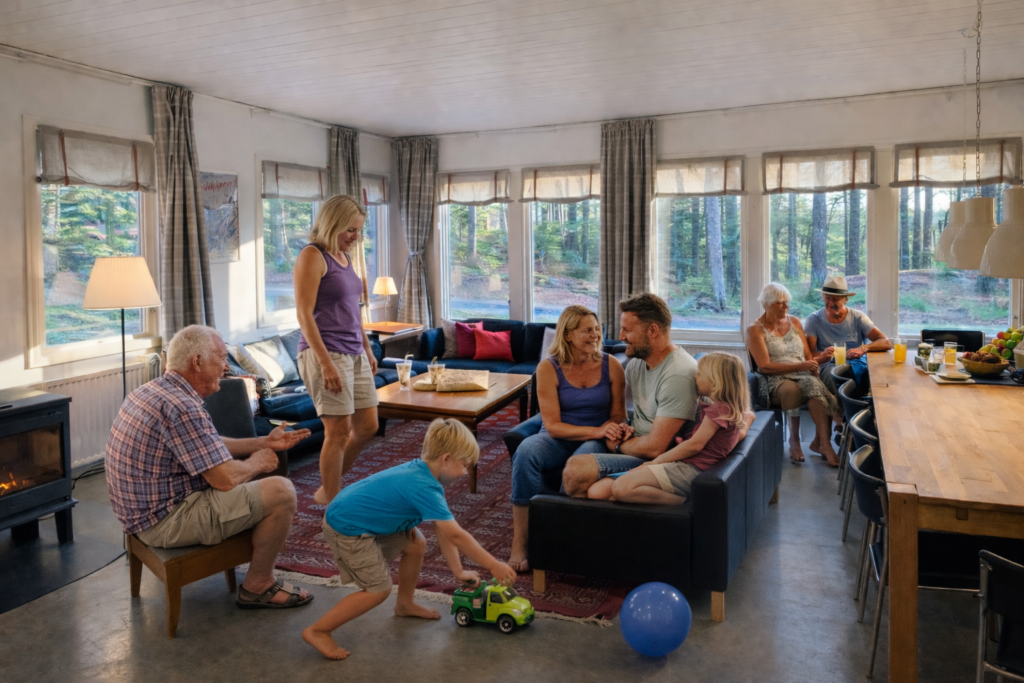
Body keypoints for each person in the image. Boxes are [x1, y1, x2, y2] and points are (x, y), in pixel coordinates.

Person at [106, 325, 314, 609]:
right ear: (197, 362)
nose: (226, 366)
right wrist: (259, 461)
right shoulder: (183, 406)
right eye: (220, 358)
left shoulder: (154, 391)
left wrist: (263, 442)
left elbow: (209, 442)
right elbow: (225, 480)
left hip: (139, 515)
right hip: (163, 522)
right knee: (282, 491)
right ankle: (258, 586)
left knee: (264, 486)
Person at [302, 419, 516, 661]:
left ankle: (404, 604)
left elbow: (443, 530)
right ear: (445, 459)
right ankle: (319, 630)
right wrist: (492, 564)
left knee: (416, 543)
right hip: (346, 527)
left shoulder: (425, 474)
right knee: (377, 590)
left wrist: (457, 570)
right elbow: (456, 533)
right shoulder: (424, 488)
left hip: (358, 516)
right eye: (465, 465)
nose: (466, 472)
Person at [507, 305, 627, 572]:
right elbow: (552, 426)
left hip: (596, 440)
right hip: (558, 437)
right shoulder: (549, 368)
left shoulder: (612, 366)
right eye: (587, 330)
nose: (595, 335)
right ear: (568, 334)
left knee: (578, 464)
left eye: (597, 329)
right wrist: (597, 430)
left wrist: (613, 430)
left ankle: (559, 538)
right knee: (525, 451)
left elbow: (618, 415)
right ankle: (520, 541)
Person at [561, 292, 699, 497]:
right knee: (578, 467)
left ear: (652, 330)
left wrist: (617, 445)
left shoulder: (679, 373)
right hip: (636, 444)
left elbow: (656, 448)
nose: (621, 337)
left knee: (577, 469)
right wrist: (622, 428)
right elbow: (632, 414)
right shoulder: (636, 365)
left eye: (627, 330)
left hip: (663, 459)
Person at [293, 194, 379, 506]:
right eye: (351, 231)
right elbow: (304, 315)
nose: (356, 238)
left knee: (368, 426)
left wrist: (367, 348)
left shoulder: (345, 257)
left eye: (359, 231)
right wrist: (325, 363)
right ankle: (332, 503)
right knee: (338, 432)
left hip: (354, 352)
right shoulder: (312, 256)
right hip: (325, 353)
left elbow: (352, 310)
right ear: (333, 224)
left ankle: (328, 488)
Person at [588, 353, 756, 504]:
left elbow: (695, 446)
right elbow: (735, 436)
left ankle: (689, 505)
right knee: (610, 495)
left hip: (690, 469)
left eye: (700, 374)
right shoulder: (727, 409)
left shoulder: (718, 410)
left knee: (621, 489)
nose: (695, 377)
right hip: (689, 466)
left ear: (715, 381)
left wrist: (653, 463)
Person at [747, 283, 842, 466]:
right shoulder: (755, 329)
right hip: (773, 378)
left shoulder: (795, 322)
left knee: (815, 388)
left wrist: (822, 359)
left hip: (803, 374)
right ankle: (794, 442)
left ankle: (824, 445)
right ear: (766, 303)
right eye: (780, 303)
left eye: (787, 302)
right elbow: (765, 366)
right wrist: (800, 366)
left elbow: (808, 357)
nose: (785, 307)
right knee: (792, 389)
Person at [803, 275, 892, 395]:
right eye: (827, 298)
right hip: (829, 364)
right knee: (835, 374)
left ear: (845, 299)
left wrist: (863, 348)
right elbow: (810, 353)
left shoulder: (858, 317)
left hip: (856, 363)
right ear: (822, 297)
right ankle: (842, 410)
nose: (830, 303)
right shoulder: (814, 319)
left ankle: (860, 408)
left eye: (836, 299)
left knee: (871, 374)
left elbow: (885, 342)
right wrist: (825, 355)